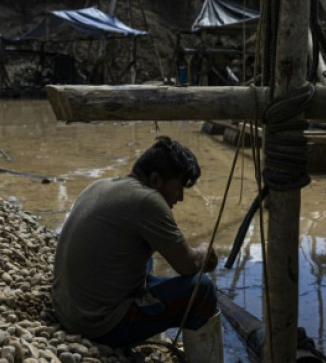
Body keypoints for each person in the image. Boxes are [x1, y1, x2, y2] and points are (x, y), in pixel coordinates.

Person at [52, 136, 220, 350]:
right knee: (203, 290)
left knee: (143, 256)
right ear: (155, 180)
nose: (180, 198)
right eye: (178, 188)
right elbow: (187, 265)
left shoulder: (100, 185)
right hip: (98, 324)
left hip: (64, 309)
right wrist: (205, 250)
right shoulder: (148, 200)